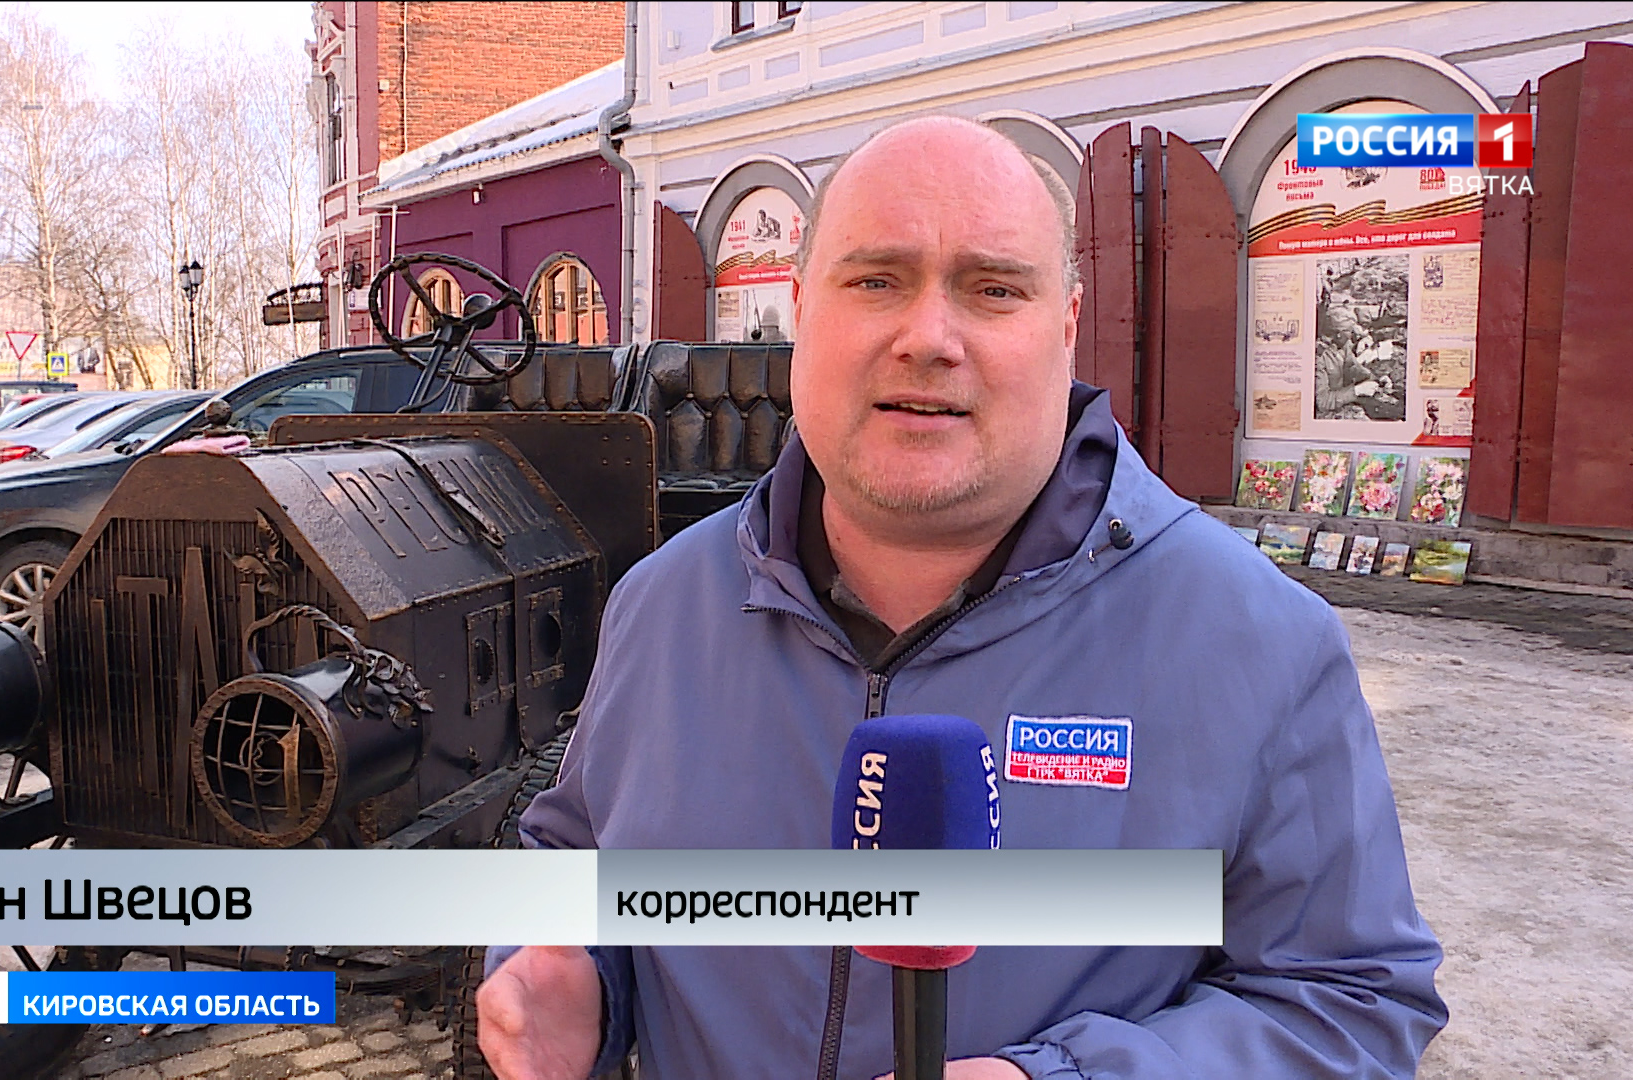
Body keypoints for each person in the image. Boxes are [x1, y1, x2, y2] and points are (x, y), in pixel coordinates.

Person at [477, 116, 1446, 1079]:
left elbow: (1349, 1006)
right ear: (802, 309)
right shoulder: (663, 602)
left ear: (1065, 327)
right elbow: (574, 851)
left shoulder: (1257, 640)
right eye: (876, 280)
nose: (928, 338)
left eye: (993, 289)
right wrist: (570, 972)